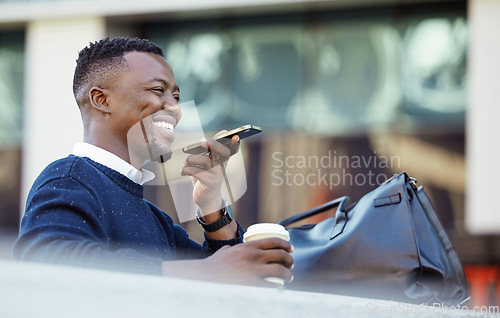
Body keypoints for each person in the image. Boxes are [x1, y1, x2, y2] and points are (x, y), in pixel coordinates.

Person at [12, 37, 293, 287]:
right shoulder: (68, 179)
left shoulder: (155, 218)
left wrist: (211, 206)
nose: (174, 107)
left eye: (177, 96)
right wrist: (207, 271)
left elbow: (223, 282)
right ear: (101, 100)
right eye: (158, 90)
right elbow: (47, 263)